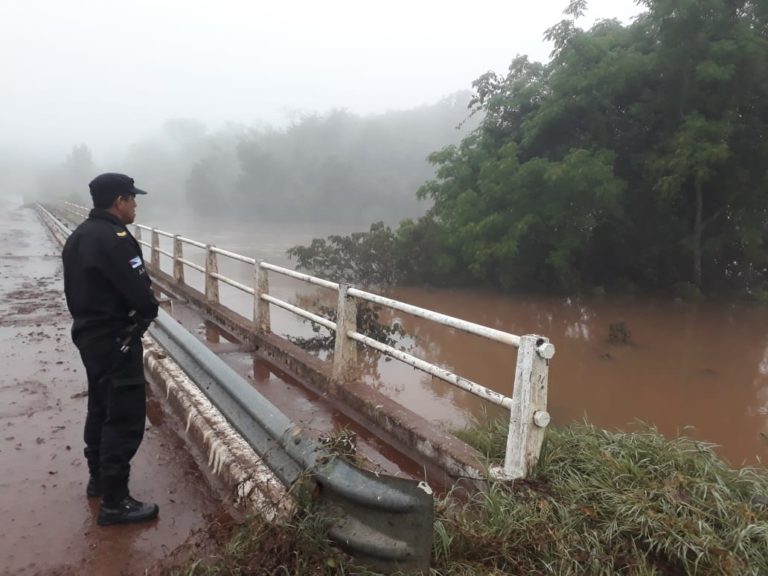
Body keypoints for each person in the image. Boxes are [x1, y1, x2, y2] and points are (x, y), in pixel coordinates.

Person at [62, 173, 160, 526]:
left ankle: (99, 481)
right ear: (119, 201)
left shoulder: (79, 237)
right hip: (117, 339)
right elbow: (140, 294)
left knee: (100, 406)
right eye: (132, 199)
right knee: (124, 415)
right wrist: (148, 311)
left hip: (90, 336)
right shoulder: (115, 239)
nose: (135, 205)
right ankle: (116, 503)